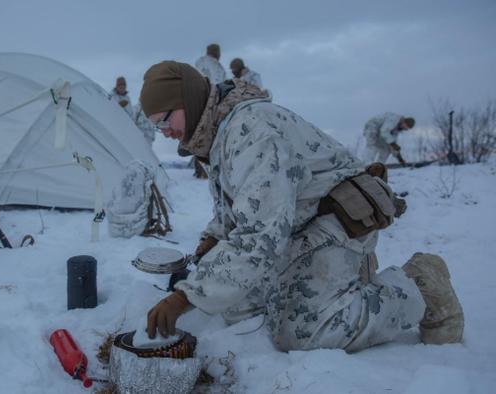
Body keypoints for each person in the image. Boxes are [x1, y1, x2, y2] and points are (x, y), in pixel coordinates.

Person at [139, 61, 464, 352]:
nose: (164, 132)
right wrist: (212, 241)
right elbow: (240, 209)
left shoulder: (252, 132)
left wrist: (186, 296)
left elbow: (259, 238)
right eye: (156, 125)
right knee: (235, 304)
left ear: (190, 100)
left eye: (165, 119)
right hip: (300, 224)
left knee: (301, 329)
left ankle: (416, 285)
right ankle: (331, 283)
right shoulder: (218, 134)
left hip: (339, 223)